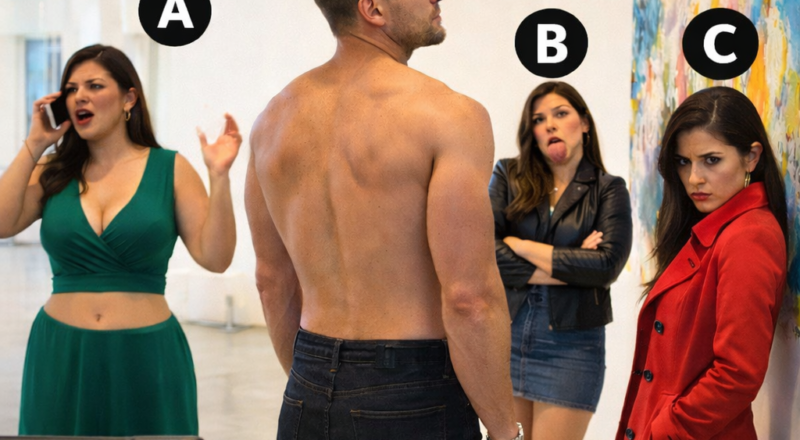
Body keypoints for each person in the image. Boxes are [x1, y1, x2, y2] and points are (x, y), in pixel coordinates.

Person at [245, 1, 521, 439]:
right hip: (413, 391)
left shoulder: (271, 122)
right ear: (373, 8)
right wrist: (507, 429)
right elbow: (469, 297)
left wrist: (314, 377)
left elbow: (271, 281)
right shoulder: (449, 114)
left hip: (307, 382)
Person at [0, 44, 241, 436]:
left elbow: (216, 258)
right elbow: (2, 222)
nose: (80, 96)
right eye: (72, 89)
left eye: (95, 85)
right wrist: (34, 145)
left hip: (148, 356)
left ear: (129, 98)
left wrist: (220, 177)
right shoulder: (53, 171)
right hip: (60, 355)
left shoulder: (170, 169)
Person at [617, 86, 787, 440]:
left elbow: (737, 374)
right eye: (684, 161)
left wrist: (663, 431)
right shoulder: (715, 229)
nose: (694, 178)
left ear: (752, 157)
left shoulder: (748, 238)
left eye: (711, 160)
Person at [490, 81, 632, 440]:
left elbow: (606, 266)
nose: (549, 124)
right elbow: (483, 251)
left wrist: (518, 244)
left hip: (571, 347)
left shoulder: (608, 189)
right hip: (506, 335)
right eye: (539, 119)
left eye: (561, 113)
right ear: (532, 133)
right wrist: (571, 267)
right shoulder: (508, 175)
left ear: (584, 123)